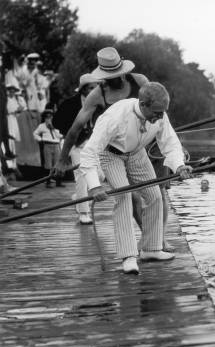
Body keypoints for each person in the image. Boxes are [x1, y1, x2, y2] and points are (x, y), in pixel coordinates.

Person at [82, 82, 193, 275]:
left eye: (163, 112)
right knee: (124, 197)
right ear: (143, 104)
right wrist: (94, 186)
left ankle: (151, 249)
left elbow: (170, 143)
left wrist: (179, 165)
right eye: (157, 113)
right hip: (110, 154)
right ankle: (128, 256)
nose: (160, 117)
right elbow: (89, 152)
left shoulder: (160, 115)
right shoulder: (115, 117)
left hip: (137, 153)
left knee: (155, 196)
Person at [53, 47, 149, 175]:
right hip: (113, 151)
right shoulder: (96, 95)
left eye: (119, 74)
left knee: (158, 193)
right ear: (105, 77)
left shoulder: (140, 81)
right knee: (126, 193)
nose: (118, 79)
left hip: (142, 143)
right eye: (112, 77)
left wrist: (172, 145)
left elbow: (159, 110)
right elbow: (75, 128)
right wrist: (62, 160)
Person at [53, 73, 102, 224]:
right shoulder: (69, 104)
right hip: (76, 144)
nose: (95, 90)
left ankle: (78, 197)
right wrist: (69, 134)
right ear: (83, 90)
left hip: (93, 142)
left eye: (96, 87)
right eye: (91, 88)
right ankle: (83, 213)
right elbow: (56, 122)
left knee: (100, 176)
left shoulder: (100, 103)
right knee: (81, 176)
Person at [33, 109, 63, 187]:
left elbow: (60, 135)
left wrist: (53, 128)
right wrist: (40, 139)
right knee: (48, 164)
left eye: (50, 117)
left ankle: (58, 182)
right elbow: (35, 133)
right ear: (44, 118)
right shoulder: (42, 126)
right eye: (47, 117)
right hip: (47, 145)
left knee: (57, 164)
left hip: (56, 145)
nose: (49, 118)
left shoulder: (56, 125)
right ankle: (48, 182)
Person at [5, 84, 25, 159]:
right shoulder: (6, 100)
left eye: (13, 92)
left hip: (14, 119)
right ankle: (8, 152)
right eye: (10, 91)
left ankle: (13, 152)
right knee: (9, 134)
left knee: (14, 135)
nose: (12, 93)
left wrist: (18, 111)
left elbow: (18, 109)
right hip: (8, 118)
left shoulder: (14, 100)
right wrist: (13, 111)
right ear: (8, 92)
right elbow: (7, 110)